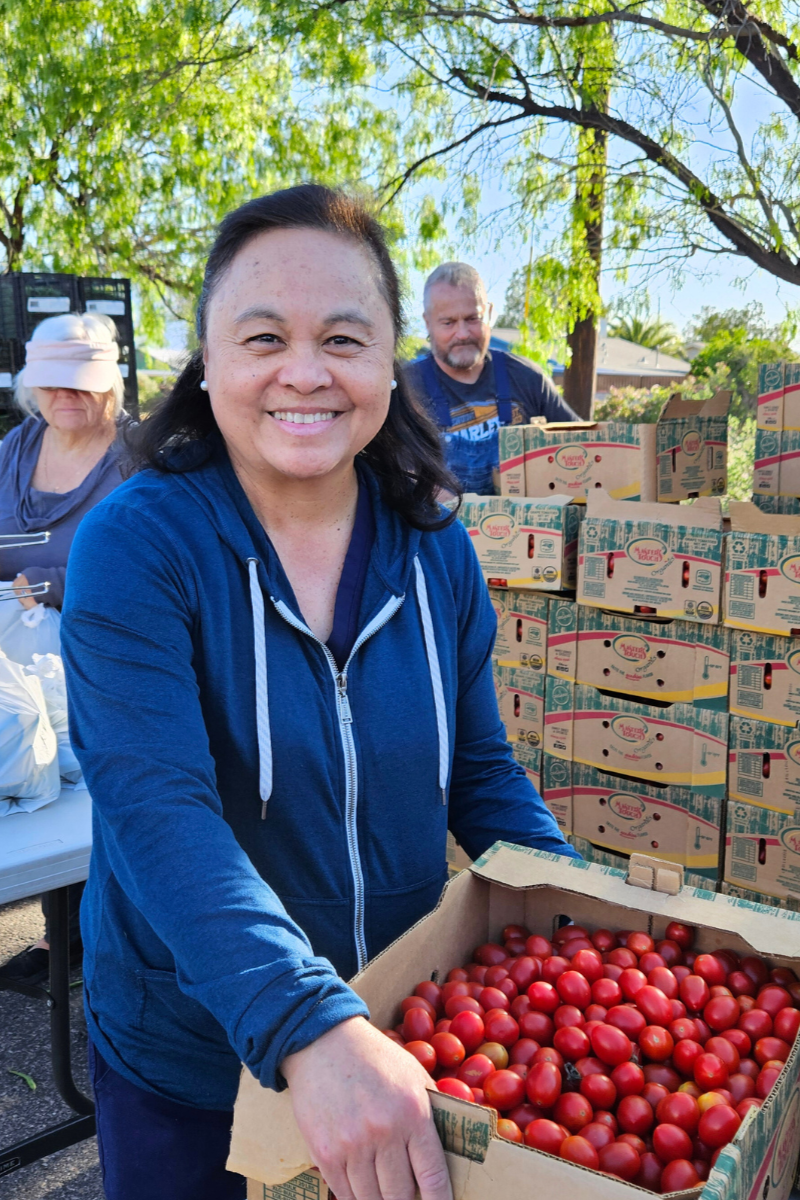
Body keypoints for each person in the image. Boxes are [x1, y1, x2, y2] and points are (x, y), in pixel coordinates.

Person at [60, 185, 580, 1200]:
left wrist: (578, 910)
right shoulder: (137, 547)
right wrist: (307, 1023)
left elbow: (478, 772)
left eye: (343, 338)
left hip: (391, 1043)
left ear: (389, 359)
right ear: (208, 360)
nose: (304, 373)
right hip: (195, 1063)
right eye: (262, 338)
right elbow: (160, 813)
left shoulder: (434, 552)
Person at [0, 312, 130, 988]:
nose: (66, 397)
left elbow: (153, 565)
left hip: (102, 660)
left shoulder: (134, 459)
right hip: (18, 665)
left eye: (80, 384)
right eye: (52, 384)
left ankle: (84, 947)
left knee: (91, 801)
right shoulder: (16, 449)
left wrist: (49, 586)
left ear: (108, 385)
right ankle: (64, 938)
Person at [403, 262, 578, 493]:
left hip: (526, 527)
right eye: (448, 322)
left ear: (490, 314)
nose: (463, 333)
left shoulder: (529, 379)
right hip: (438, 527)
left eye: (473, 318)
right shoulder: (402, 389)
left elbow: (580, 451)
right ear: (428, 323)